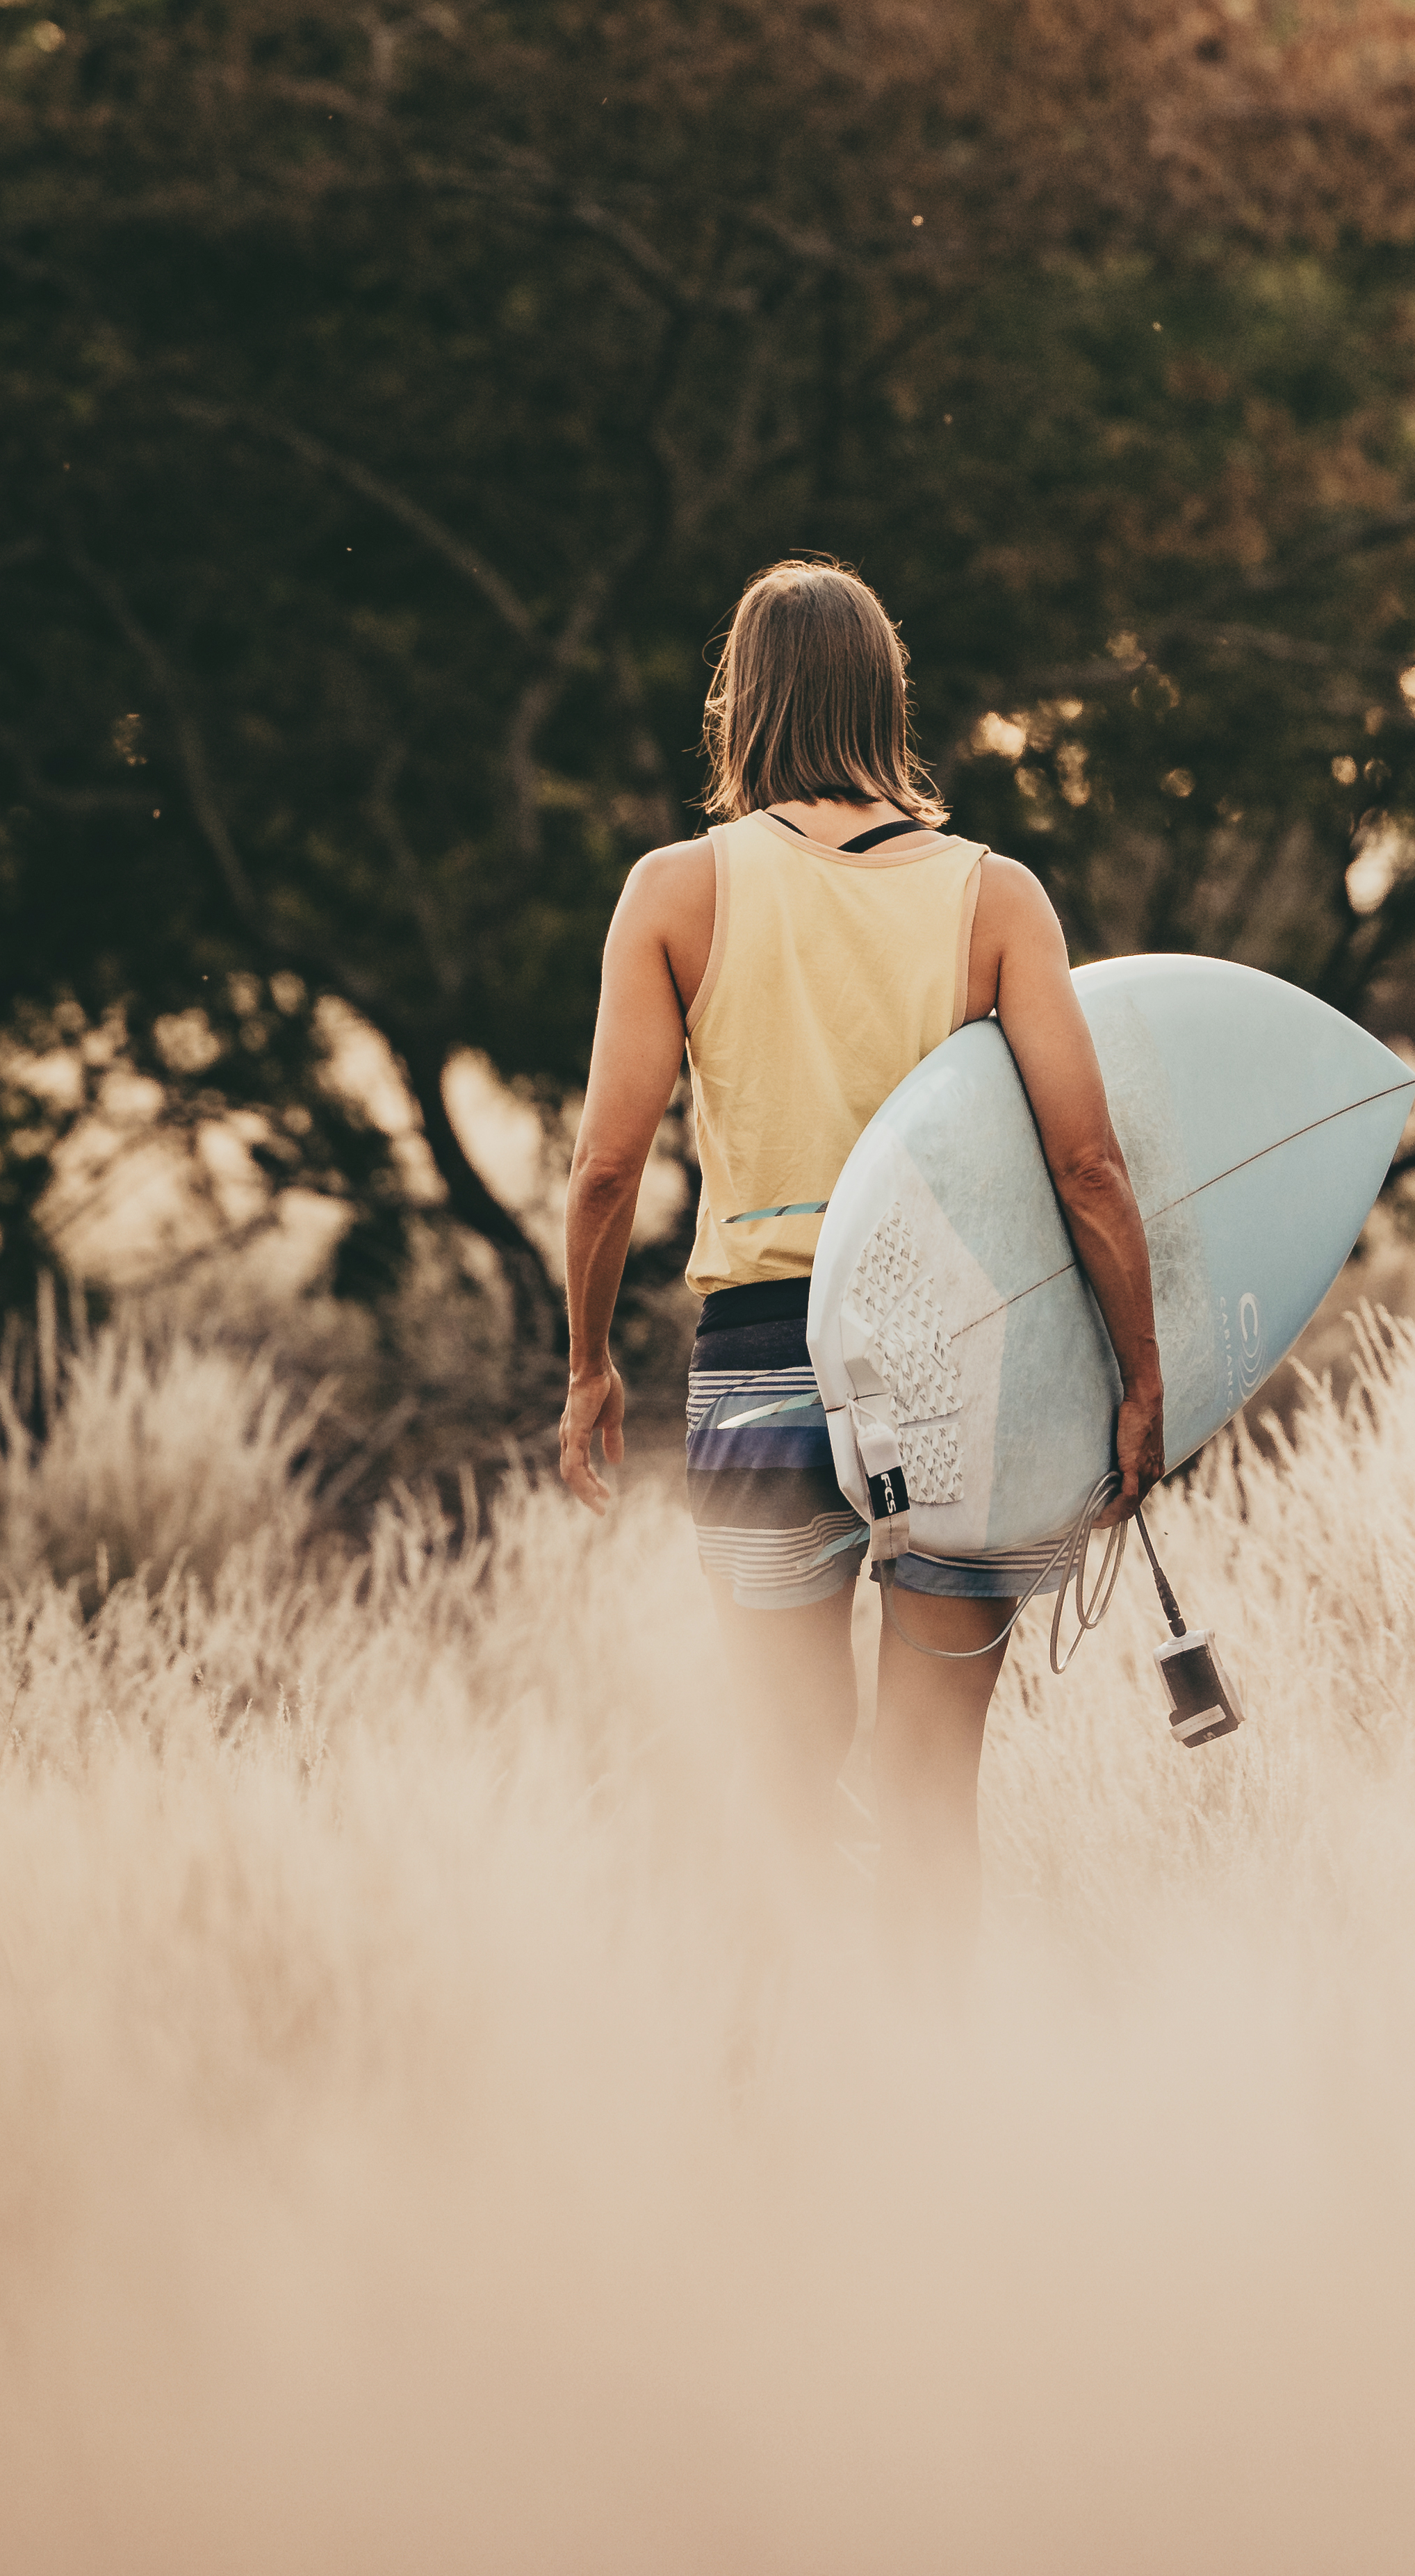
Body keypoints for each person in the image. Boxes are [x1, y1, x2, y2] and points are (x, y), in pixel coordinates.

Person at [552, 560, 1163, 1927]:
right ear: (890, 699)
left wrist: (588, 1361)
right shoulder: (996, 896)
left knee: (781, 1783)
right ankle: (929, 2098)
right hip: (959, 1362)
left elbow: (603, 1168)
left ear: (741, 704)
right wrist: (1139, 1372)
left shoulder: (675, 891)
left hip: (765, 1359)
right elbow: (1087, 1163)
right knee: (933, 1787)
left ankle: (790, 2098)